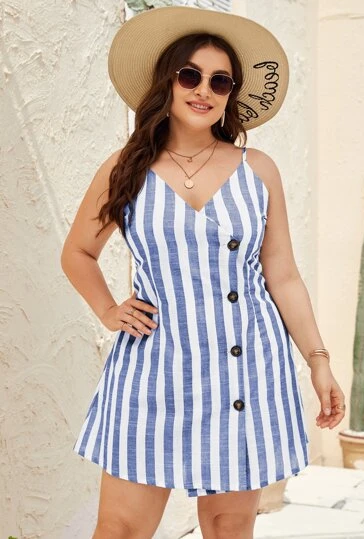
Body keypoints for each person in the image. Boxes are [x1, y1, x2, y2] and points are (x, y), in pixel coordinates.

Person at [61, 6, 346, 539]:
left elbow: (283, 275)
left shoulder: (257, 169)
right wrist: (108, 310)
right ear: (166, 82)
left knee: (228, 525)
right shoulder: (126, 168)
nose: (203, 90)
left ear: (231, 93)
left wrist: (319, 360)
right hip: (153, 369)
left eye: (220, 81)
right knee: (120, 526)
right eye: (189, 75)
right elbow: (78, 252)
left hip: (244, 370)